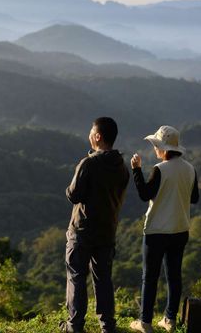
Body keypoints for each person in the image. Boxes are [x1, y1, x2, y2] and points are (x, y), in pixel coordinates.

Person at [60, 117, 130, 333]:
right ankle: (107, 326)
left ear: (98, 136)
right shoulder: (121, 167)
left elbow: (74, 195)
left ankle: (75, 326)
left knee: (77, 276)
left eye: (91, 132)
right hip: (107, 230)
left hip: (82, 231)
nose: (89, 135)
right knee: (103, 280)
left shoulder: (88, 163)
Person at [129, 125, 199, 333]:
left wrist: (136, 170)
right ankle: (170, 319)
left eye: (156, 146)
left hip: (157, 231)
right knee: (174, 275)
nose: (155, 150)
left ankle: (145, 322)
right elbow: (194, 198)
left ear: (163, 148)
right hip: (180, 228)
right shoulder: (190, 169)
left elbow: (144, 194)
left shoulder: (160, 169)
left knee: (149, 277)